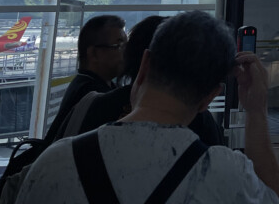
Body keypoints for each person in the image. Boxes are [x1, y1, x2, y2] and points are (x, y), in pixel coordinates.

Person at [15, 11, 279, 204]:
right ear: (209, 97)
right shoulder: (227, 175)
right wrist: (256, 111)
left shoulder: (55, 163)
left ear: (143, 66)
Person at [57, 15, 222, 146]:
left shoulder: (92, 105)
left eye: (124, 46)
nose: (122, 52)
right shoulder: (198, 118)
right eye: (118, 45)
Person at [43, 14, 126, 143]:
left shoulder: (84, 84)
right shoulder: (92, 93)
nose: (125, 53)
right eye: (118, 46)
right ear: (93, 53)